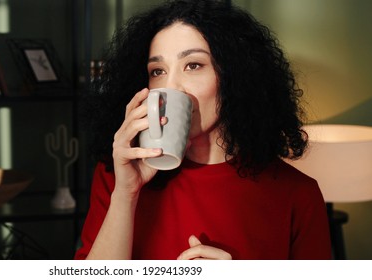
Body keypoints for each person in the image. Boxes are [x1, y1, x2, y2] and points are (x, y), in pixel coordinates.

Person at [75, 0, 332, 260]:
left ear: (234, 75)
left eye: (193, 65)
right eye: (158, 71)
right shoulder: (118, 176)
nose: (172, 86)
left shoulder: (298, 194)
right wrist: (126, 194)